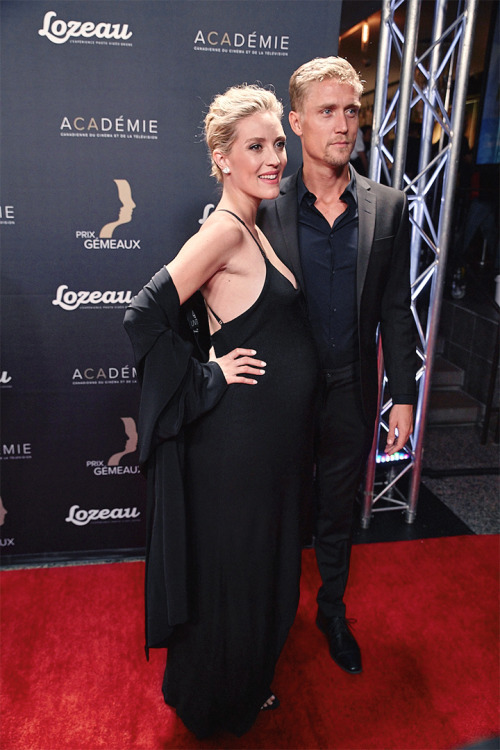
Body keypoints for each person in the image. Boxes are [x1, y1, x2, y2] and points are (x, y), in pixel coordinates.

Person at [123, 85, 318, 738]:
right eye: (255, 147)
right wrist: (206, 374)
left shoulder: (255, 228)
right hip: (235, 448)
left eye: (277, 145)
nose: (273, 159)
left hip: (272, 450)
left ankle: (242, 683)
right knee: (233, 578)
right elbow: (143, 315)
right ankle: (215, 704)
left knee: (258, 570)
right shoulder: (223, 232)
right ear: (222, 158)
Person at [258, 57, 417, 676]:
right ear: (296, 122)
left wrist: (401, 395)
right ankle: (269, 621)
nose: (344, 124)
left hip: (352, 392)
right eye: (327, 111)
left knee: (335, 513)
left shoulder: (388, 206)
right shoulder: (265, 205)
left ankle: (330, 610)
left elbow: (396, 309)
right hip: (280, 396)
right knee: (275, 511)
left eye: (351, 109)